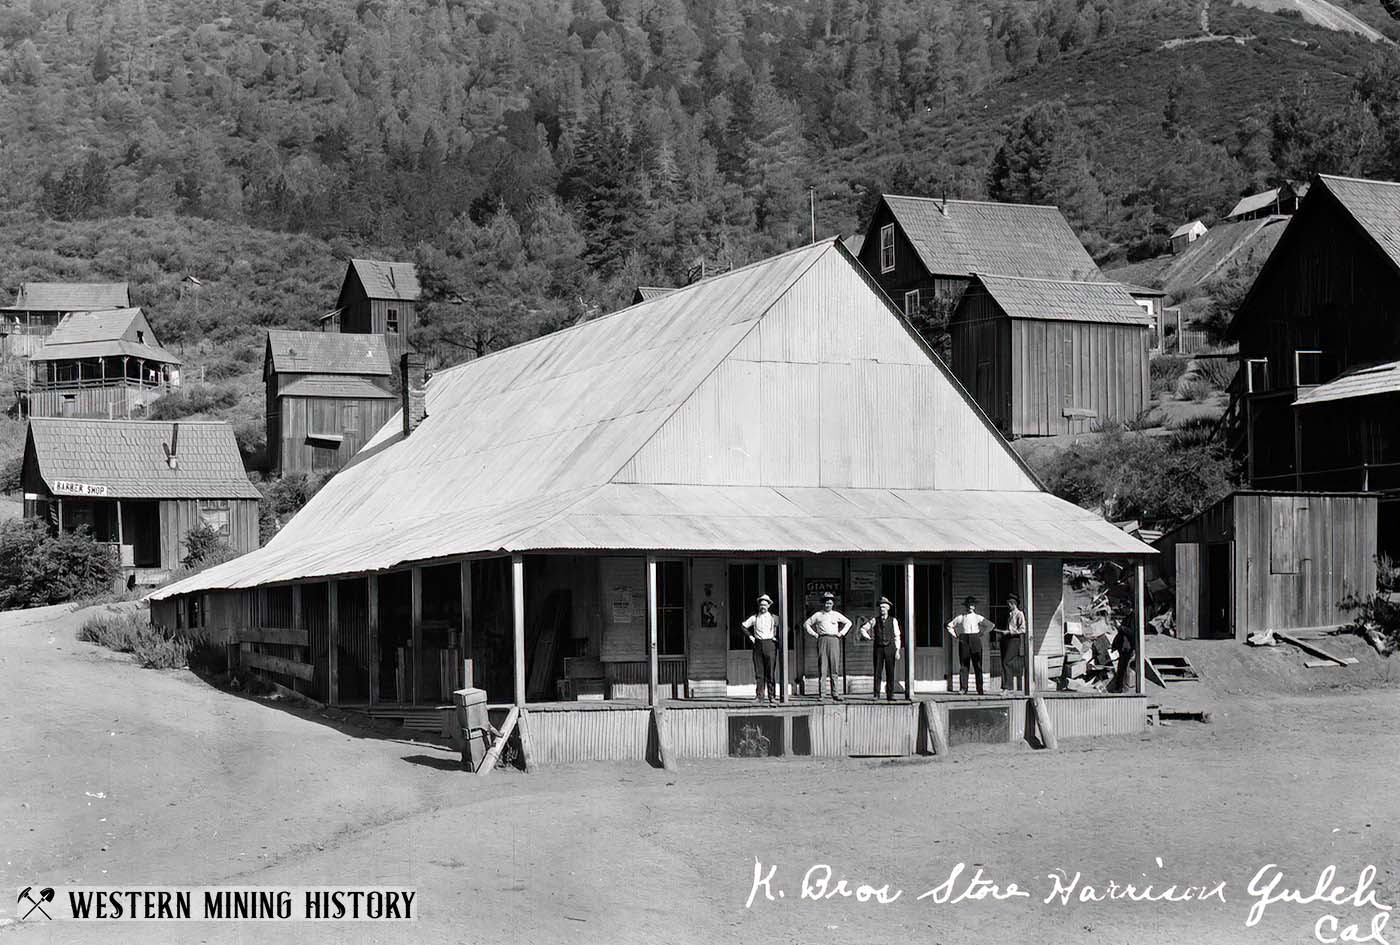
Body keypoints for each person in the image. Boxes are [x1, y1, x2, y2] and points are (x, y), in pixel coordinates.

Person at [804, 591, 851, 701]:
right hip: (822, 639)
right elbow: (806, 624)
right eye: (826, 603)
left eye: (830, 603)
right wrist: (815, 634)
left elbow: (849, 623)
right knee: (823, 667)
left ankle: (835, 693)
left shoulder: (836, 615)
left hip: (834, 639)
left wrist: (841, 633)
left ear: (833, 604)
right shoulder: (818, 615)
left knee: (834, 667)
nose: (827, 605)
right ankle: (822, 694)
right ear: (823, 604)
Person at [859, 597, 902, 701]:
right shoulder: (875, 620)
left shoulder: (893, 620)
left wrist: (897, 650)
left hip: (890, 648)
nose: (882, 609)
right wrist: (868, 637)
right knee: (877, 671)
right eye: (881, 607)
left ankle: (890, 695)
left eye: (884, 607)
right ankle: (876, 694)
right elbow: (863, 628)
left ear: (888, 608)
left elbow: (897, 636)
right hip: (878, 648)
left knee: (890, 672)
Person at [946, 596, 991, 694]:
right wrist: (957, 636)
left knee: (978, 665)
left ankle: (980, 688)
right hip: (964, 639)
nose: (971, 607)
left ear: (974, 606)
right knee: (964, 665)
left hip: (975, 639)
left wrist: (981, 633)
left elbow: (990, 625)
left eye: (972, 605)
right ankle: (963, 688)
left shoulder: (978, 617)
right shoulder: (961, 617)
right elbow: (949, 626)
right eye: (969, 605)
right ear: (966, 606)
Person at [741, 594, 779, 704]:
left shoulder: (774, 617)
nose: (763, 607)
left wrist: (777, 637)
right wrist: (750, 637)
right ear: (759, 606)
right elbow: (743, 626)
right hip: (758, 644)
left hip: (770, 644)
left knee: (770, 672)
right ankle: (759, 697)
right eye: (761, 605)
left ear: (769, 606)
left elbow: (786, 627)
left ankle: (772, 697)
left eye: (765, 605)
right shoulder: (754, 617)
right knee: (759, 672)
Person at [997, 593, 1027, 693]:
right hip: (1005, 639)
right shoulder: (1008, 614)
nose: (1008, 605)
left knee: (1007, 661)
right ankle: (1006, 687)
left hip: (1014, 639)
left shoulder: (1019, 614)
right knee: (1004, 662)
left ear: (1014, 604)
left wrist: (1010, 632)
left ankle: (1007, 687)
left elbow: (1023, 629)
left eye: (1009, 604)